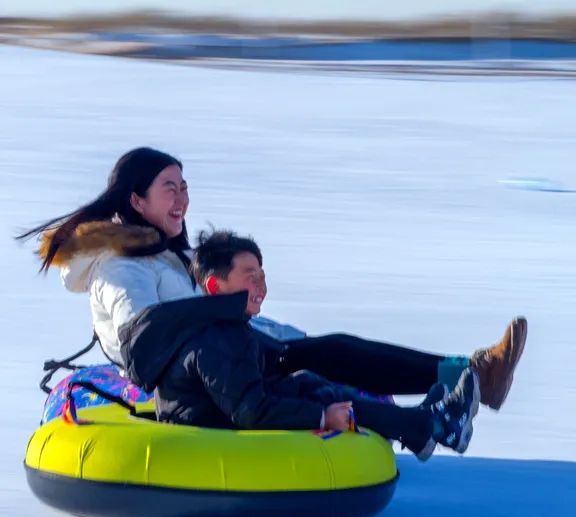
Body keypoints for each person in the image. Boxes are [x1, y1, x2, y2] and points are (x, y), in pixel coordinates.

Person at [17, 146, 527, 413]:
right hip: (194, 380)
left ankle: (471, 375)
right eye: (168, 188)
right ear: (137, 201)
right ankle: (473, 377)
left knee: (327, 349)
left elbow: (206, 312)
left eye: (185, 186)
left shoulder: (164, 255)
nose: (182, 198)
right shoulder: (120, 267)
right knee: (332, 354)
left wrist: (262, 323)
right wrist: (227, 318)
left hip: (219, 359)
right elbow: (141, 338)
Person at [120, 228, 480, 461]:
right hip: (210, 435)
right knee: (319, 401)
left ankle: (421, 423)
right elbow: (248, 411)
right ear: (216, 287)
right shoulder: (218, 338)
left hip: (212, 413)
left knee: (306, 383)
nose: (261, 285)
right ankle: (433, 426)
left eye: (263, 275)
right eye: (250, 277)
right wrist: (323, 418)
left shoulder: (217, 324)